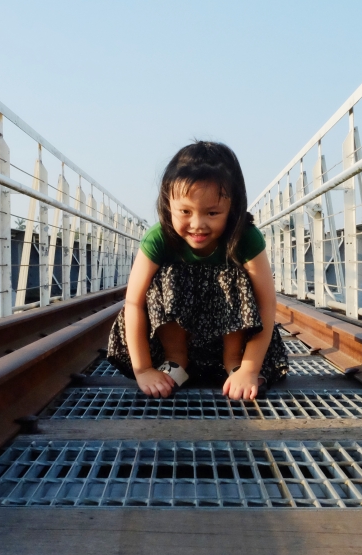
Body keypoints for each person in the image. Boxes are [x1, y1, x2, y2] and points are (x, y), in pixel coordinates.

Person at [106, 141, 288, 400]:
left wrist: (250, 368)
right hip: (174, 342)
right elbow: (134, 302)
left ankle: (234, 362)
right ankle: (176, 360)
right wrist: (144, 369)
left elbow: (266, 303)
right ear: (168, 204)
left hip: (226, 345)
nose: (197, 224)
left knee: (235, 277)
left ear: (233, 209)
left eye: (212, 212)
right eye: (185, 211)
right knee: (164, 277)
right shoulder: (159, 238)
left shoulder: (245, 238)